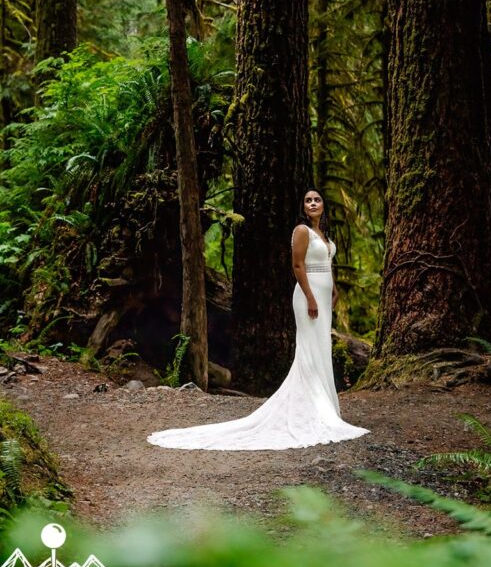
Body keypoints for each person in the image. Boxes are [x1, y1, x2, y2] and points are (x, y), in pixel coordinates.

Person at [146, 189, 370, 450]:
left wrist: (333, 289)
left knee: (322, 347)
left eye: (316, 200)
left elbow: (327, 263)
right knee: (309, 349)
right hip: (308, 296)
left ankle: (326, 406)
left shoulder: (324, 234)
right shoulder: (302, 231)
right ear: (303, 207)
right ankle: (311, 407)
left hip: (324, 294)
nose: (312, 203)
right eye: (308, 200)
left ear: (323, 205)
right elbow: (298, 266)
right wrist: (310, 296)